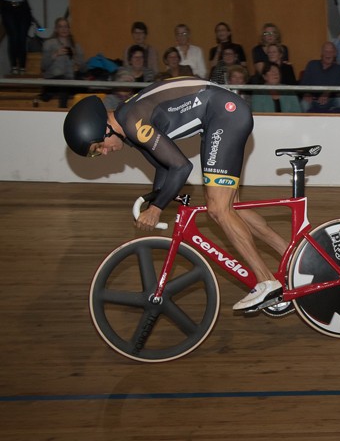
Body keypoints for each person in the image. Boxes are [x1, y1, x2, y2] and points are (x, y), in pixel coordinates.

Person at [62, 78, 289, 312]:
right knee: (231, 208)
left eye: (99, 147)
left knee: (218, 209)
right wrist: (155, 198)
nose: (105, 152)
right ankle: (290, 254)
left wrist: (157, 208)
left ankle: (266, 282)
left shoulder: (132, 122)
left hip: (225, 114)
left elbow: (181, 168)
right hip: (221, 114)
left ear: (104, 128)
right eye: (97, 154)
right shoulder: (127, 122)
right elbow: (163, 166)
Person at [41, 17, 86, 107]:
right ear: (56, 29)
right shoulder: (49, 44)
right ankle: (62, 109)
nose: (63, 29)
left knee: (85, 86)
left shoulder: (76, 46)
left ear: (69, 29)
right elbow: (43, 66)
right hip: (53, 79)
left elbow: (84, 68)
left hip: (71, 80)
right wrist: (55, 54)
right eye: (60, 27)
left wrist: (75, 57)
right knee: (64, 83)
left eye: (66, 27)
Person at [299, 41, 340, 113]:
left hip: (331, 99)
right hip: (313, 99)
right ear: (321, 53)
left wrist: (328, 93)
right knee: (304, 103)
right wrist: (307, 94)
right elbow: (303, 84)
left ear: (335, 54)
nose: (328, 54)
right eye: (326, 51)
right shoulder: (312, 64)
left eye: (331, 52)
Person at [2, 0, 32, 75]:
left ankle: (22, 66)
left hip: (22, 7)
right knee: (13, 37)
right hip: (7, 7)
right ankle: (14, 66)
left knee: (22, 38)